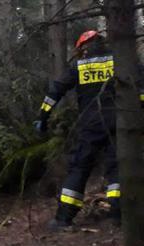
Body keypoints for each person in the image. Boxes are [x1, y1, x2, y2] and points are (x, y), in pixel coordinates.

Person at [32, 30, 135, 228]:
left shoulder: (78, 66)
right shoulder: (120, 60)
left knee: (80, 167)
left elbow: (55, 91)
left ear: (83, 48)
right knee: (117, 168)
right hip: (119, 121)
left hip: (90, 123)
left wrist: (43, 117)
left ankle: (63, 218)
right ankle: (118, 215)